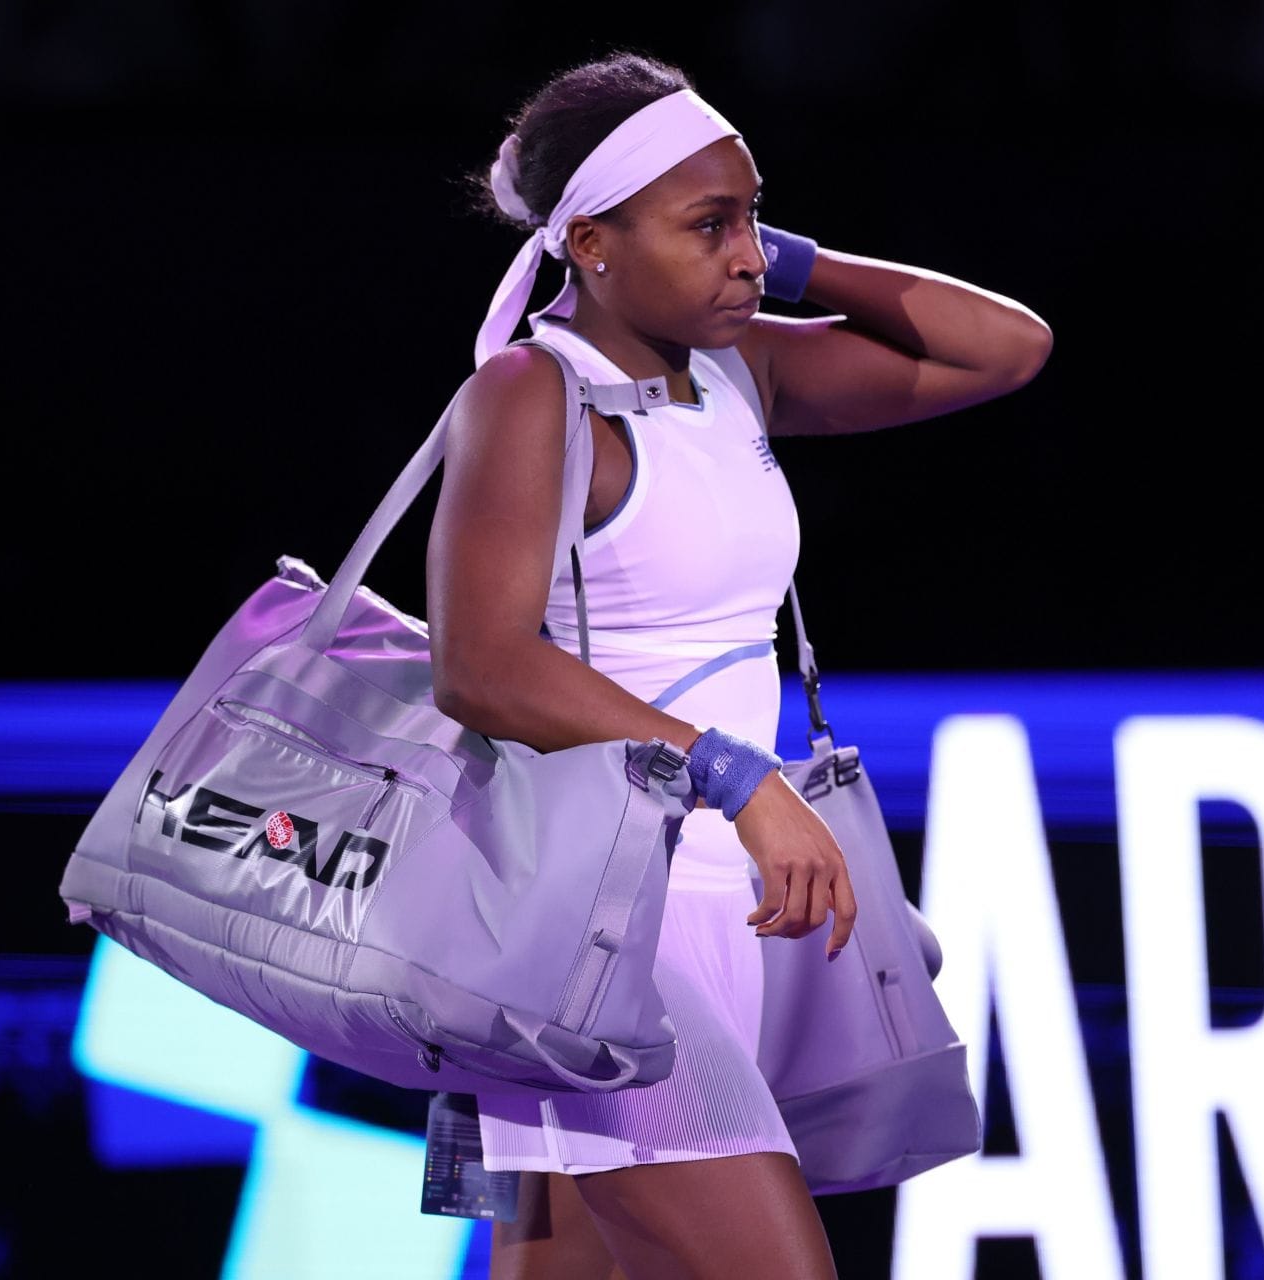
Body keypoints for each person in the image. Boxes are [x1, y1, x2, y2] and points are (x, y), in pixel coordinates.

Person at [430, 50, 1052, 1280]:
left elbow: (1007, 348)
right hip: (593, 932)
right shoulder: (532, 389)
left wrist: (791, 262)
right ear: (593, 242)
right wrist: (738, 776)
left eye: (755, 216)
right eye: (710, 223)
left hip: (724, 911)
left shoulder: (739, 366)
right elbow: (480, 664)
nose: (746, 253)